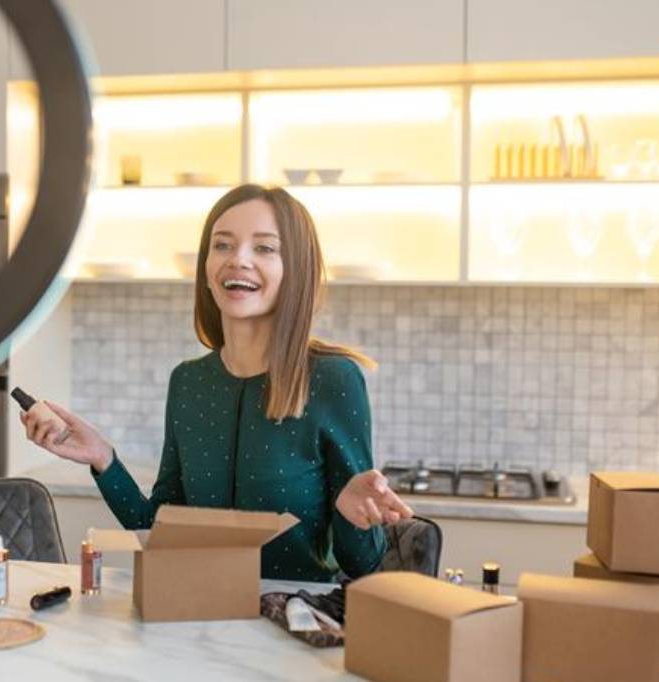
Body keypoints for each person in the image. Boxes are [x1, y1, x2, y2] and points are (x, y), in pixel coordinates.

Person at [21, 184, 414, 581]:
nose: (238, 259)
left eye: (264, 248)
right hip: (200, 609)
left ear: (295, 271)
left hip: (294, 614)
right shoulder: (188, 382)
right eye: (223, 245)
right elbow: (158, 527)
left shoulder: (333, 379)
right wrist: (103, 459)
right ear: (206, 270)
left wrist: (352, 517)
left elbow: (363, 563)